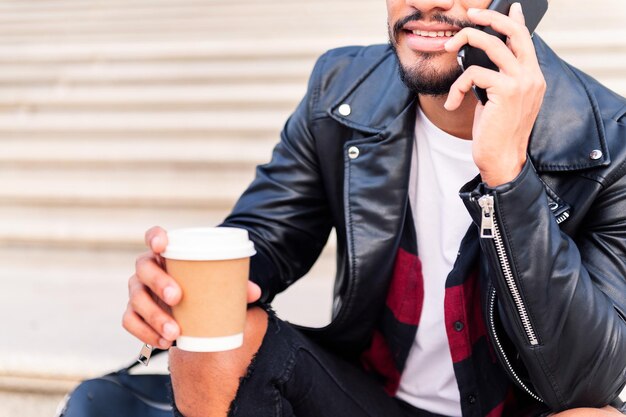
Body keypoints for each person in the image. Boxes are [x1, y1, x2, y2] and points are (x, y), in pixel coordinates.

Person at [122, 0, 626, 416]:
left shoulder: (607, 140)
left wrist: (510, 179)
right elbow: (266, 236)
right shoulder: (343, 89)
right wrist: (180, 289)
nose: (427, 4)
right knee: (216, 335)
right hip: (369, 400)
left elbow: (586, 377)